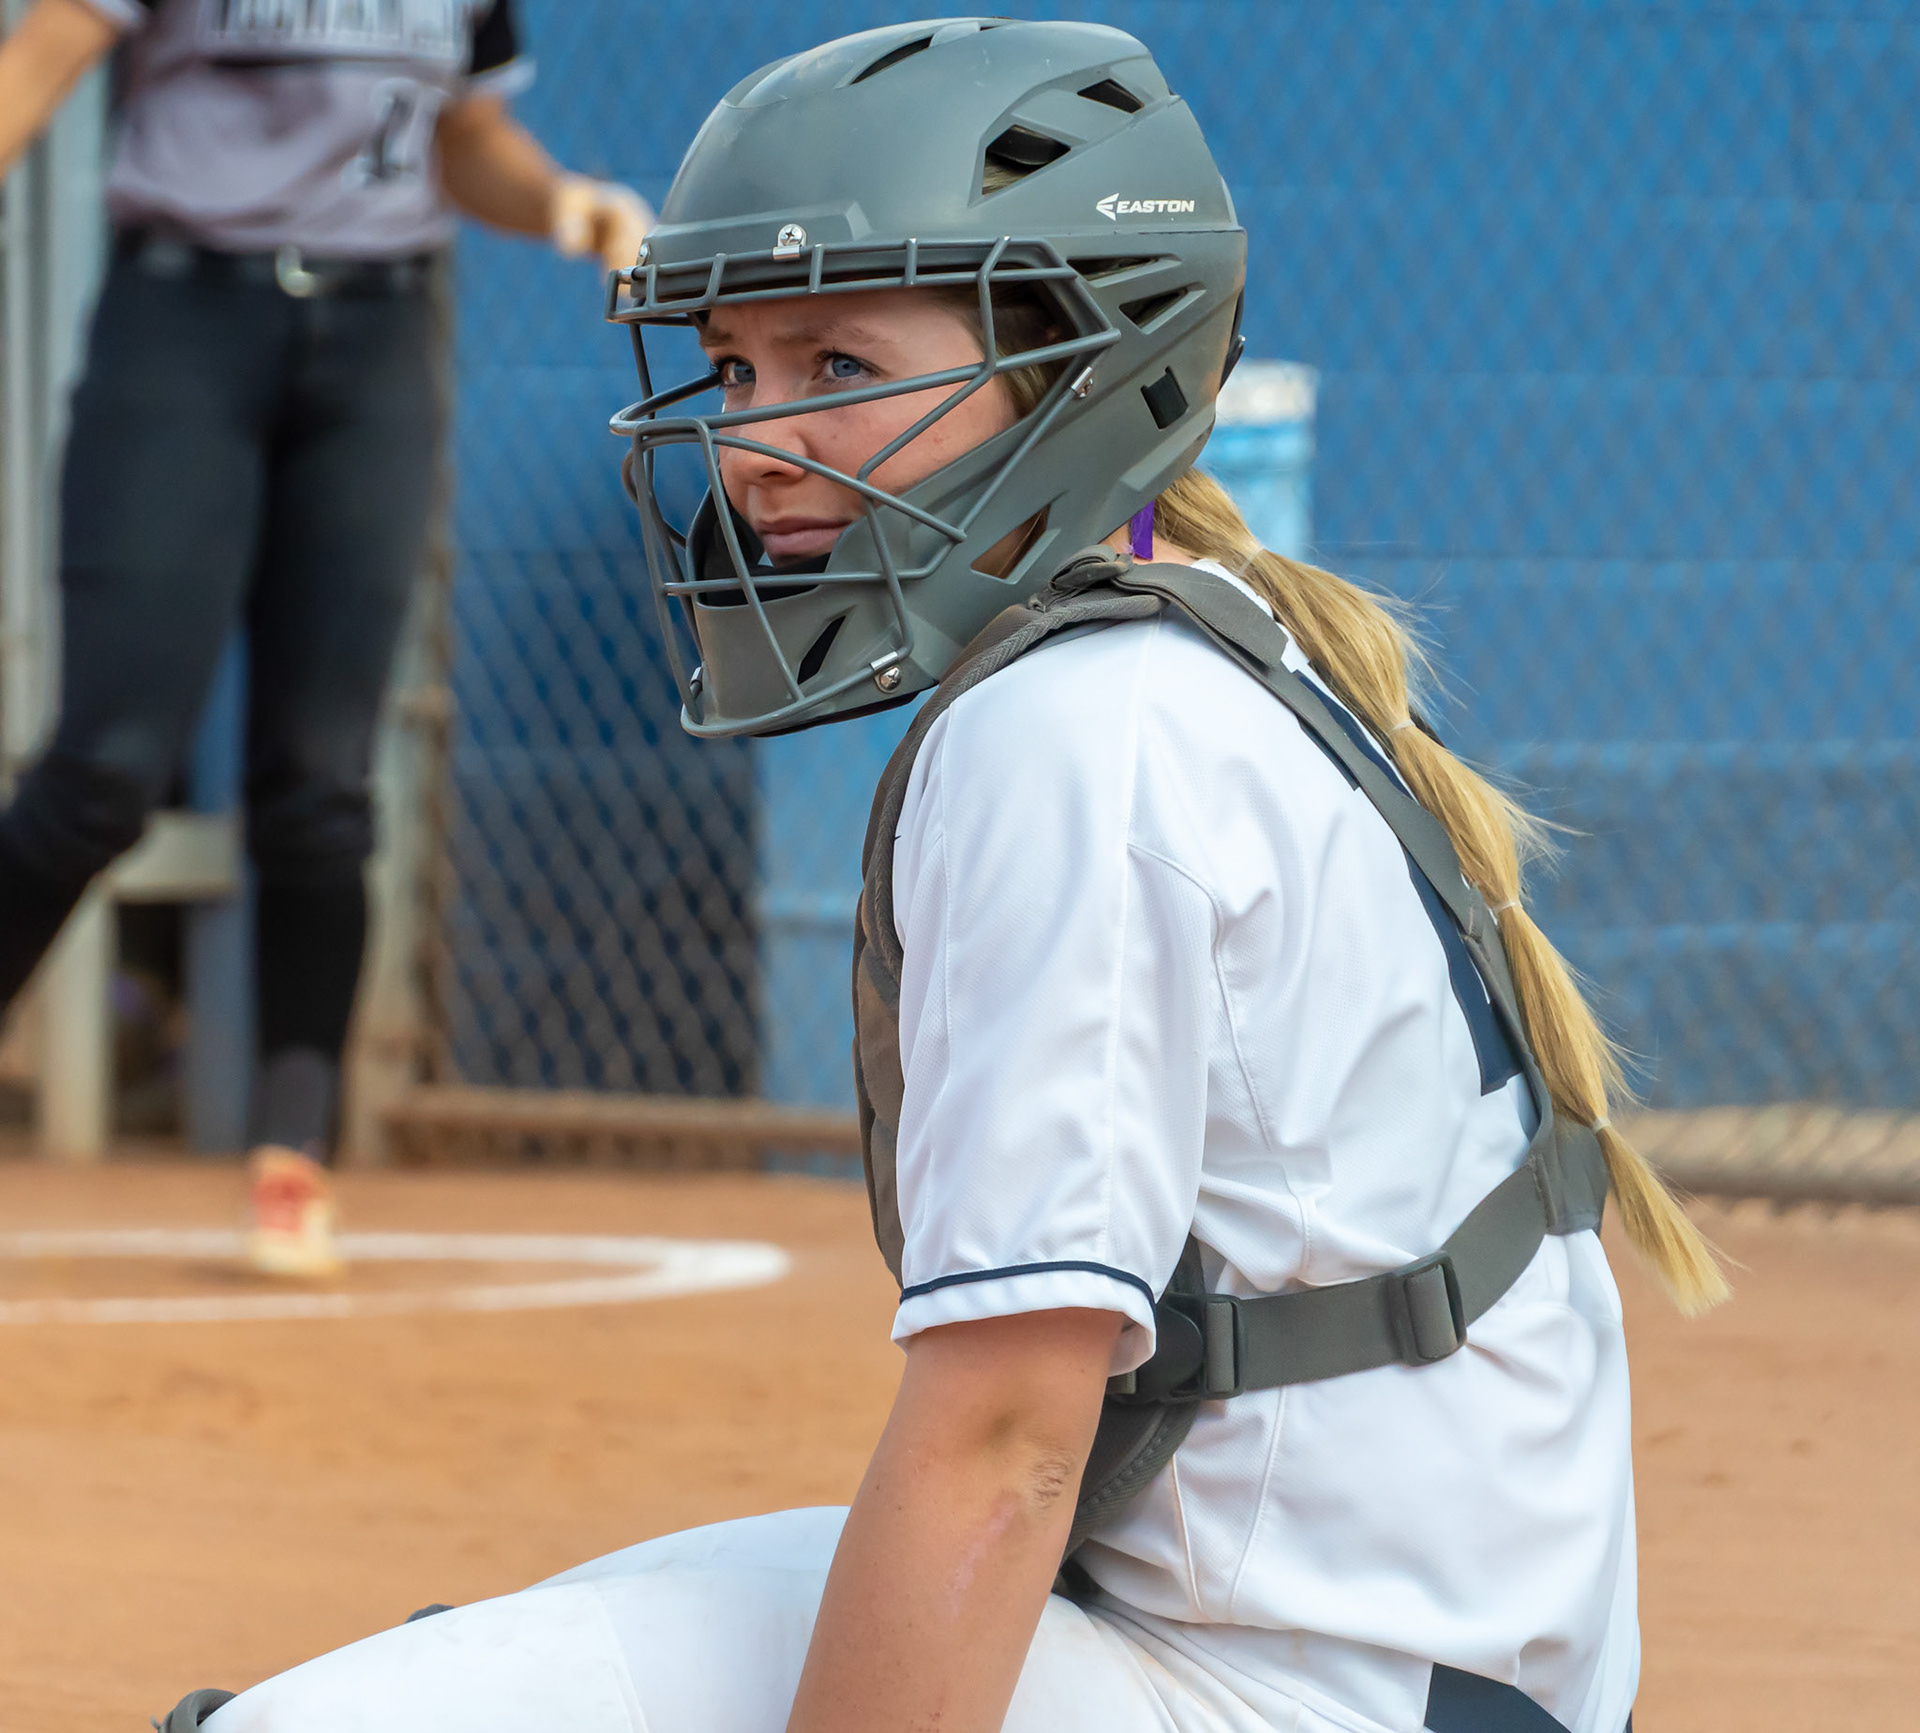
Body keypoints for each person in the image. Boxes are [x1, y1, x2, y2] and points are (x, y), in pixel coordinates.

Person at [162, 18, 1728, 1733]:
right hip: (1387, 1657)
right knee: (504, 1644)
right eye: (734, 368)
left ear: (1078, 362)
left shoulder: (1072, 731)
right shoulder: (1202, 635)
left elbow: (1001, 1443)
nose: (756, 445)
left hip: (1291, 1687)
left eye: (841, 360)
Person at [0, 0, 650, 1275]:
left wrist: (561, 202)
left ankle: (292, 1159)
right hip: (185, 322)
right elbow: (39, 63)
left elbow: (466, 138)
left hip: (375, 340)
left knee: (322, 776)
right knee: (104, 768)